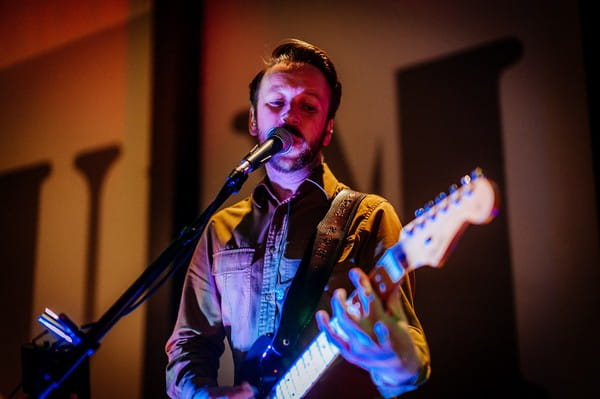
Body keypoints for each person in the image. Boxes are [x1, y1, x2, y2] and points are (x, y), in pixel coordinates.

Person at [165, 39, 430, 399]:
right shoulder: (221, 229)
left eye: (307, 106)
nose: (289, 116)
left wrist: (397, 362)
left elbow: (408, 342)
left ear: (328, 127)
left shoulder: (371, 217)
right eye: (276, 103)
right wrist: (203, 395)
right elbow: (189, 344)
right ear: (254, 121)